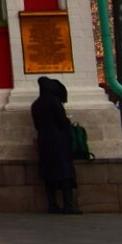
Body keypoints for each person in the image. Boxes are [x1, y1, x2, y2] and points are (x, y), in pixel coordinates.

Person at [31, 76, 81, 214]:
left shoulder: (36, 104)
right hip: (59, 141)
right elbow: (62, 121)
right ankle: (68, 205)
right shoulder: (54, 102)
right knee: (65, 174)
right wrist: (68, 123)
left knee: (49, 174)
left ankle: (52, 205)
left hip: (44, 141)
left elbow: (37, 125)